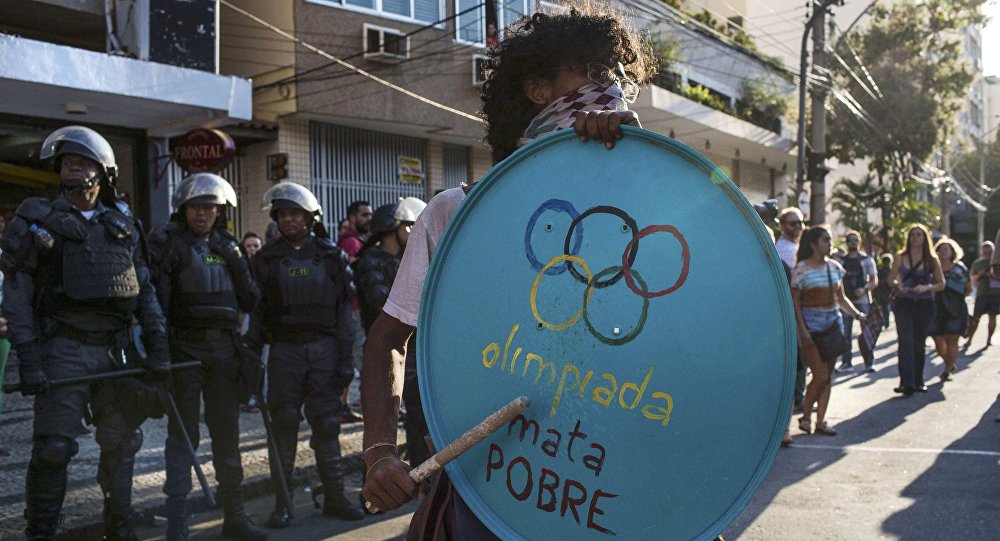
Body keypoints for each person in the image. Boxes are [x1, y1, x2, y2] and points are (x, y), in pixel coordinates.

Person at [360, 7, 656, 536]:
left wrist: (645, 167)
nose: (608, 85)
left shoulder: (643, 202)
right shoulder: (456, 215)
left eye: (612, 71)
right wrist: (379, 452)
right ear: (538, 90)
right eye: (588, 69)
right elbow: (388, 340)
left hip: (611, 481)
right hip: (492, 483)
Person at [0, 125, 171, 541]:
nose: (72, 170)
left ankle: (119, 526)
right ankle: (41, 532)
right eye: (66, 163)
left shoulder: (122, 224)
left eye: (81, 162)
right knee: (53, 449)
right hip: (63, 349)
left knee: (122, 444)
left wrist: (159, 344)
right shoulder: (36, 219)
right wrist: (29, 356)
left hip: (116, 350)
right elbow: (17, 295)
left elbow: (144, 288)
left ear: (103, 171)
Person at [147, 173, 265, 541]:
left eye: (210, 208)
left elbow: (251, 299)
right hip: (185, 350)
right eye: (196, 207)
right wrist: (160, 353)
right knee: (182, 438)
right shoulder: (168, 243)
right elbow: (158, 305)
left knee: (227, 435)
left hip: (225, 352)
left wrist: (236, 260)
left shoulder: (228, 246)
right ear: (183, 209)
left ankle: (236, 515)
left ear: (220, 211)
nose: (202, 214)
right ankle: (178, 522)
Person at [246, 182, 364, 528]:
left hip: (324, 351)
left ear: (310, 217)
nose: (288, 220)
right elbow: (257, 313)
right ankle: (282, 503)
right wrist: (251, 360)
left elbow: (346, 315)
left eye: (294, 213)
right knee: (283, 425)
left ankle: (336, 496)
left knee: (327, 425)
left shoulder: (331, 257)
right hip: (284, 353)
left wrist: (346, 362)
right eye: (282, 214)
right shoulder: (266, 260)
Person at [353, 197, 428, 465]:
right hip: (385, 350)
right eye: (410, 226)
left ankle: (422, 477)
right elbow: (384, 305)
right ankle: (373, 488)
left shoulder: (405, 260)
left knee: (421, 417)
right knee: (381, 426)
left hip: (414, 350)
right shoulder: (371, 261)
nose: (415, 233)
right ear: (395, 227)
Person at [792, 225, 866, 437]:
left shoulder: (834, 268)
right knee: (820, 374)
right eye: (825, 240)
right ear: (814, 244)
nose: (829, 243)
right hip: (811, 330)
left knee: (828, 376)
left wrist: (858, 315)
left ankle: (820, 420)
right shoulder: (801, 270)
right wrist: (802, 331)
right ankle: (806, 415)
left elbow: (840, 298)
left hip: (833, 326)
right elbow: (795, 303)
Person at [889, 224, 945, 396]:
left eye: (919, 235)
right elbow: (890, 280)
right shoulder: (900, 256)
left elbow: (941, 284)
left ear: (925, 238)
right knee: (905, 342)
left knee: (918, 344)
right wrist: (900, 286)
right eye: (913, 235)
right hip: (904, 302)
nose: (915, 238)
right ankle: (906, 383)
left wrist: (927, 288)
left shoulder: (932, 260)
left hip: (924, 304)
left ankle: (918, 380)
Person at [928, 237, 970, 382]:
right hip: (936, 307)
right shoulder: (932, 268)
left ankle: (947, 370)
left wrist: (955, 295)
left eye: (946, 248)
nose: (943, 251)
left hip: (955, 307)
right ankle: (949, 363)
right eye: (940, 248)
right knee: (938, 339)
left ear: (953, 251)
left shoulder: (959, 268)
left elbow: (968, 288)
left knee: (952, 339)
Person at [835, 231, 878, 373]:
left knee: (867, 332)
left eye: (856, 240)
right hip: (846, 301)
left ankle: (869, 362)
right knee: (845, 333)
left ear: (860, 242)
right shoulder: (840, 262)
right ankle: (846, 363)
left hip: (863, 300)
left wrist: (864, 289)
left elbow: (873, 281)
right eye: (850, 240)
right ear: (847, 243)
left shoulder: (867, 260)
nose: (853, 242)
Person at [964, 241, 998, 348]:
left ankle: (989, 340)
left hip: (995, 294)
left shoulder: (997, 263)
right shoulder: (977, 264)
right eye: (985, 252)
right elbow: (972, 279)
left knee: (992, 317)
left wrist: (994, 275)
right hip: (982, 294)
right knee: (976, 319)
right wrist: (981, 274)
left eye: (989, 252)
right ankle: (970, 340)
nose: (987, 254)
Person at [875, 253, 893, 329]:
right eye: (885, 261)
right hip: (882, 291)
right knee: (884, 307)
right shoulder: (880, 271)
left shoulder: (892, 270)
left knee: (888, 307)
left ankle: (887, 321)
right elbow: (877, 281)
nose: (887, 263)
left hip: (891, 291)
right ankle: (885, 322)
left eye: (888, 261)